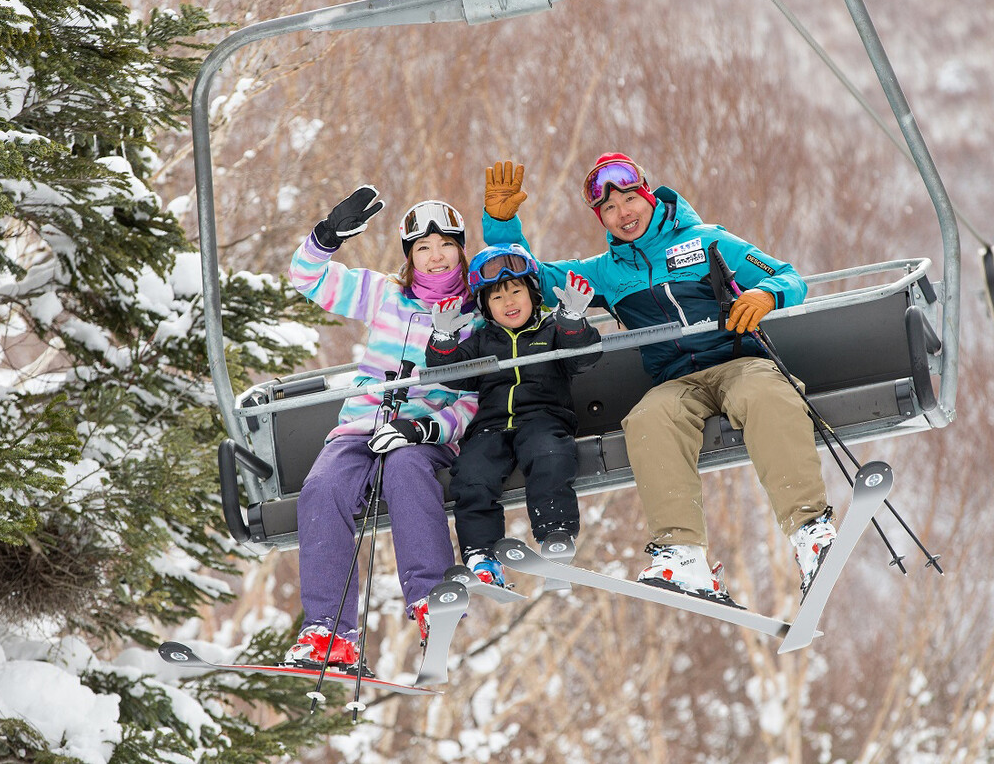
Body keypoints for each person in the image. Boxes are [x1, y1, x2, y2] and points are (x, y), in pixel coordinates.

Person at [480, 157, 836, 606]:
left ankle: (809, 528)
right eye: (610, 209)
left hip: (736, 362)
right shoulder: (606, 272)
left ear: (648, 195)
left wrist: (766, 295)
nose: (623, 213)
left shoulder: (708, 241)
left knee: (765, 392)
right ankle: (683, 553)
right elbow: (531, 277)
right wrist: (502, 224)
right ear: (601, 219)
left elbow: (788, 277)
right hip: (676, 381)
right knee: (648, 417)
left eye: (630, 199)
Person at [283, 186, 480, 673]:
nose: (436, 258)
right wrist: (327, 238)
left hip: (425, 437)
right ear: (410, 258)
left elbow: (472, 399)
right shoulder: (386, 295)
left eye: (445, 246)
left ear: (460, 250)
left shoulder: (475, 315)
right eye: (423, 249)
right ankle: (330, 632)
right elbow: (305, 277)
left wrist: (425, 430)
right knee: (323, 486)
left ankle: (433, 599)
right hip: (362, 427)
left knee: (407, 469)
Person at [424, 244, 602, 587]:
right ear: (486, 308)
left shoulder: (551, 332)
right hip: (491, 427)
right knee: (471, 473)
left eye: (516, 291)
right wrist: (443, 338)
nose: (509, 302)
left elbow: (582, 358)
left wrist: (573, 322)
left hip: (544, 419)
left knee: (549, 455)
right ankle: (481, 554)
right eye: (497, 298)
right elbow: (451, 374)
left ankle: (555, 535)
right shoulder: (482, 341)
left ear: (533, 294)